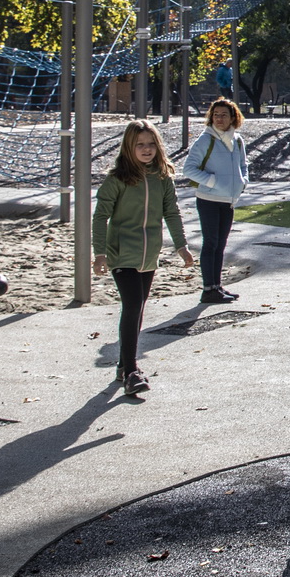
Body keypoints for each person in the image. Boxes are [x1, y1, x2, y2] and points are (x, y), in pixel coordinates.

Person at [93, 121, 194, 397]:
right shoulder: (118, 179)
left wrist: (181, 246)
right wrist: (100, 253)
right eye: (140, 145)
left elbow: (172, 213)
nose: (146, 149)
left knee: (138, 308)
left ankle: (124, 365)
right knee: (133, 303)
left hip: (148, 255)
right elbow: (101, 216)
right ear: (129, 147)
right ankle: (132, 371)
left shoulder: (162, 178)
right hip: (121, 253)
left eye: (151, 144)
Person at [183, 97, 249, 305]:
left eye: (224, 115)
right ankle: (208, 288)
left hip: (228, 200)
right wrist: (211, 181)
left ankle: (217, 286)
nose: (219, 119)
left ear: (233, 118)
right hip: (208, 199)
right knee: (210, 243)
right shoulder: (205, 140)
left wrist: (243, 182)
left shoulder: (237, 140)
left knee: (221, 244)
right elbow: (188, 169)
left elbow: (243, 164)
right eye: (216, 115)